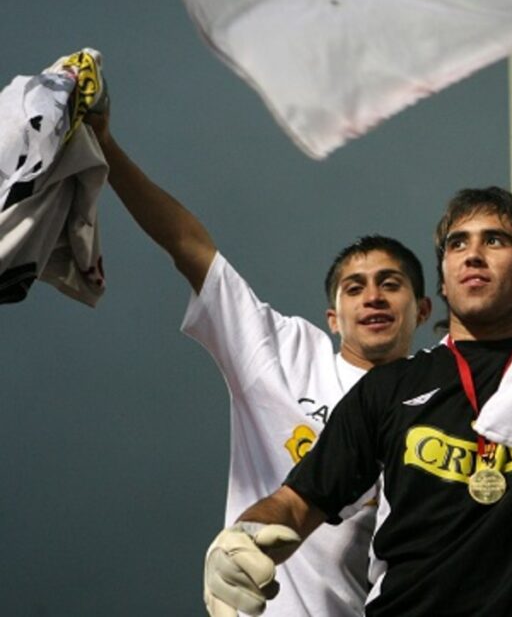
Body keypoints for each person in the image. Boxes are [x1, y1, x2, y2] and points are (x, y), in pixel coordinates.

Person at [203, 186, 512, 616]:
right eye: (458, 244)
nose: (473, 256)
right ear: (443, 281)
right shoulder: (389, 388)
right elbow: (296, 502)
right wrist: (240, 538)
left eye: (495, 241)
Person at [86, 106, 432, 617]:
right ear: (333, 318)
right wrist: (106, 147)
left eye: (391, 284)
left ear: (422, 310)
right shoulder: (282, 351)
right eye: (355, 288)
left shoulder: (441, 391)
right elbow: (188, 247)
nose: (373, 297)